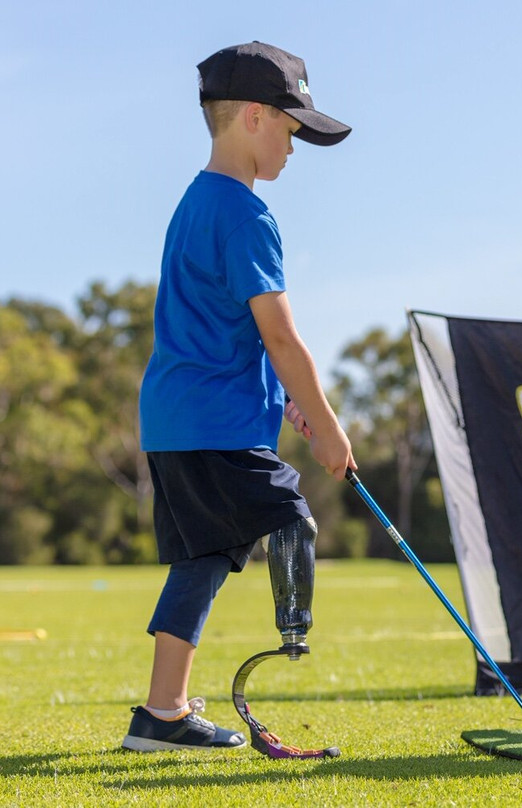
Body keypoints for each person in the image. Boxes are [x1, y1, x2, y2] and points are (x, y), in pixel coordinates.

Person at [122, 42, 355, 752]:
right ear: (254, 117)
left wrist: (282, 402)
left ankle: (161, 716)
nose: (294, 146)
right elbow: (280, 337)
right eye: (291, 129)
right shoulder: (246, 215)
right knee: (291, 518)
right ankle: (293, 640)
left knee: (202, 559)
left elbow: (224, 331)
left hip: (175, 421)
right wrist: (327, 425)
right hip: (214, 426)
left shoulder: (196, 201)